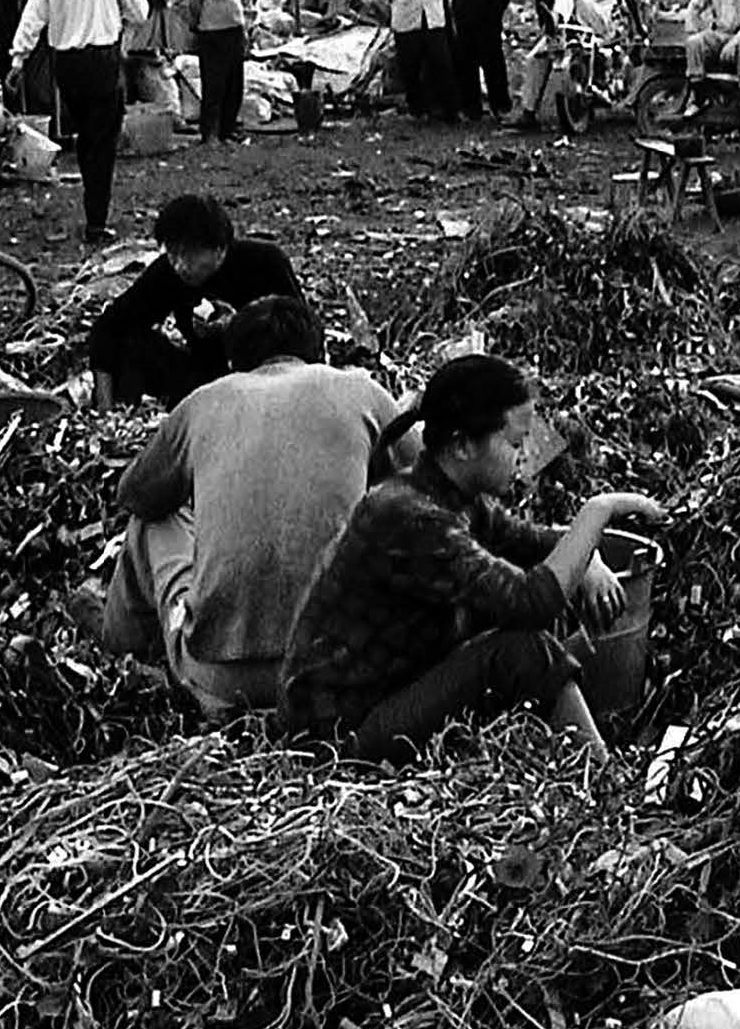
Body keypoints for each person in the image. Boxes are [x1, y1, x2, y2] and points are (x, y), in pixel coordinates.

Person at [281, 354, 665, 766]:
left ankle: (575, 747)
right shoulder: (410, 516)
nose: (523, 458)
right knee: (523, 648)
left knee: (534, 606)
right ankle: (604, 776)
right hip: (340, 735)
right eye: (514, 444)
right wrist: (597, 511)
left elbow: (526, 539)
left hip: (389, 690)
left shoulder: (454, 497)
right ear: (464, 445)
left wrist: (590, 560)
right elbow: (532, 600)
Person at [89, 297, 407, 716]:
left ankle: (118, 646)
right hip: (342, 673)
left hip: (220, 680)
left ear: (233, 363)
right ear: (321, 353)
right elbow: (432, 482)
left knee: (153, 522)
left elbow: (135, 495)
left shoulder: (204, 401)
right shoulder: (364, 393)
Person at [9, 0, 149, 244]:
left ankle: (93, 204)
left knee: (87, 135)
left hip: (66, 65)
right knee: (103, 141)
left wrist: (18, 59)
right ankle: (96, 220)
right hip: (101, 61)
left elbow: (33, 17)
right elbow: (141, 12)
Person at [87, 193, 302, 409]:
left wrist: (241, 325)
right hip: (204, 380)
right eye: (173, 254)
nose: (180, 265)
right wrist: (104, 408)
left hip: (265, 381)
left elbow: (303, 333)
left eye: (189, 255)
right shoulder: (168, 274)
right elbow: (110, 327)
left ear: (219, 249)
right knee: (132, 341)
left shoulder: (265, 263)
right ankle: (124, 415)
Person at [514, 0, 634, 130]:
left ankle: (556, 20)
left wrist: (638, 27)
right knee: (536, 56)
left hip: (602, 22)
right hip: (575, 27)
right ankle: (528, 112)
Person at [185, 0, 252, 144]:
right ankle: (210, 133)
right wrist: (196, 25)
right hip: (212, 33)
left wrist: (244, 30)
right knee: (214, 84)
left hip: (234, 30)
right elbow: (194, 0)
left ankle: (228, 128)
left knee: (235, 85)